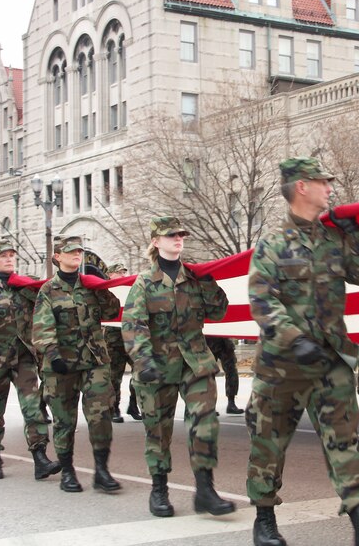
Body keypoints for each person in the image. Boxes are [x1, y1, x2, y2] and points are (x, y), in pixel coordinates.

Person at [246, 157, 359, 546]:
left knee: (344, 440)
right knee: (269, 441)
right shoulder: (272, 243)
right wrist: (294, 339)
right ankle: (264, 522)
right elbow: (261, 300)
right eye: (323, 181)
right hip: (282, 364)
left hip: (331, 358)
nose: (330, 187)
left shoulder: (334, 238)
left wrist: (357, 235)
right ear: (301, 187)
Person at [122, 216, 235, 519]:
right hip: (158, 367)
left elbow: (219, 312)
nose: (178, 239)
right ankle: (159, 490)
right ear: (156, 242)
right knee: (158, 431)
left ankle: (205, 490)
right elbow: (133, 325)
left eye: (181, 235)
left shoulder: (197, 278)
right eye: (170, 235)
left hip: (196, 363)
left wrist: (211, 285)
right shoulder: (145, 282)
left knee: (204, 421)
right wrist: (143, 361)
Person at [32, 236, 122, 493]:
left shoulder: (90, 286)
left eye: (79, 251)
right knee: (64, 420)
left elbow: (112, 311)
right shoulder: (48, 290)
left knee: (101, 415)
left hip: (94, 361)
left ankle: (102, 471)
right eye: (70, 251)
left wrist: (100, 286)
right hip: (61, 365)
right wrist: (53, 354)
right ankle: (67, 472)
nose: (76, 254)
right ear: (57, 256)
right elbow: (41, 326)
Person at [0, 239, 61, 481]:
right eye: (3, 256)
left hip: (23, 357)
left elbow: (44, 309)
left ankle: (40, 457)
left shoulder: (26, 287)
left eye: (12, 255)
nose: (9, 259)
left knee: (33, 407)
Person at [103, 263, 142, 423]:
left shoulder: (130, 289)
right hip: (114, 341)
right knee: (114, 377)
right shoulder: (106, 290)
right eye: (119, 272)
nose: (122, 275)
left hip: (131, 338)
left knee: (140, 372)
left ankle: (134, 405)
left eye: (124, 272)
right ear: (110, 274)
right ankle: (114, 408)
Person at [205, 336, 245, 414]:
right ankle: (210, 406)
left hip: (225, 341)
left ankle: (231, 404)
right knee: (209, 373)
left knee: (232, 371)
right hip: (209, 340)